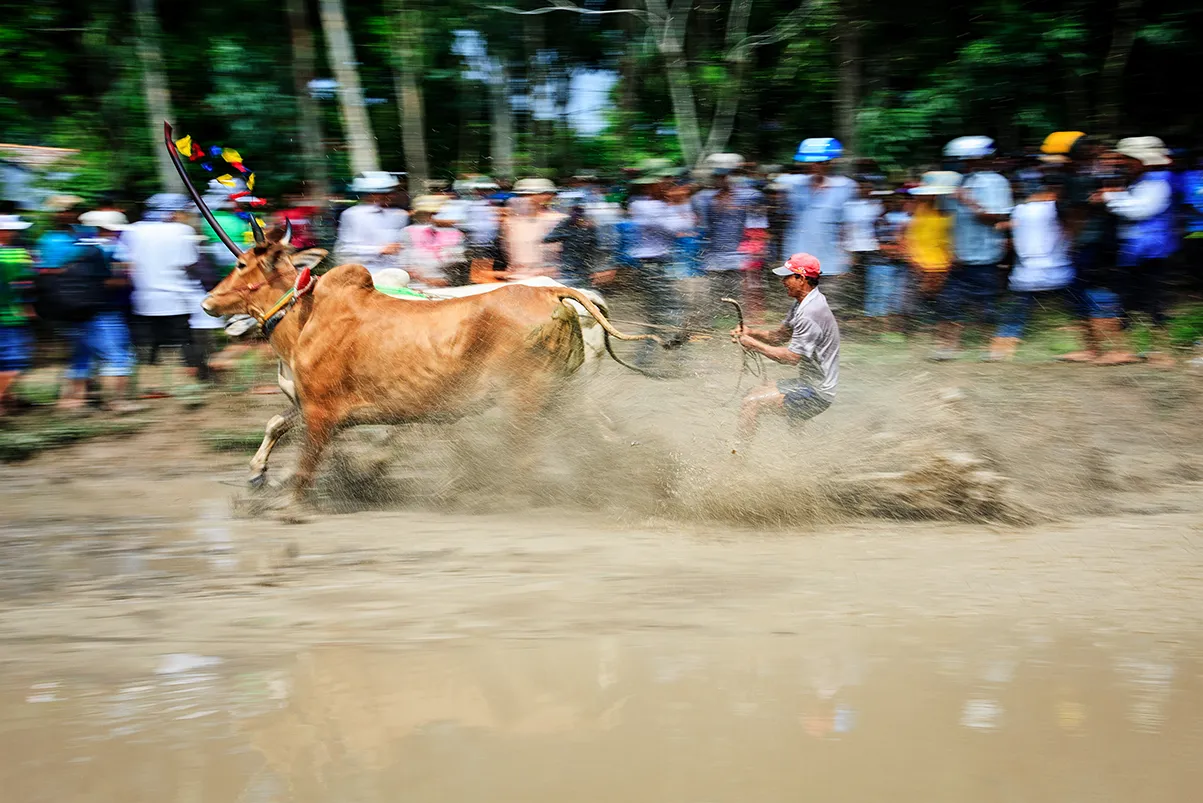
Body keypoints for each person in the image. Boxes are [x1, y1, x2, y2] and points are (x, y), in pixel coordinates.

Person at [730, 253, 840, 450]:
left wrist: (752, 344)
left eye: (788, 277)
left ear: (802, 278)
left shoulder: (810, 313)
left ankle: (738, 459)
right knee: (756, 391)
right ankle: (803, 451)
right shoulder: (802, 303)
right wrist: (750, 332)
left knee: (751, 402)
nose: (783, 282)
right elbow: (778, 336)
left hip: (817, 393)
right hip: (809, 384)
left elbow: (791, 358)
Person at [932, 136, 1014, 360]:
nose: (954, 165)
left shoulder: (994, 182)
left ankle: (995, 349)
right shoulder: (958, 182)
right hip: (960, 257)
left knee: (986, 306)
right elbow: (943, 212)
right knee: (948, 303)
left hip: (985, 257)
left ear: (972, 159)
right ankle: (949, 347)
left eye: (957, 160)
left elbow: (995, 216)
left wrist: (967, 200)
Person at [57, 210, 142, 411]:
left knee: (82, 356)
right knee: (118, 356)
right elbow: (119, 279)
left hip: (75, 311)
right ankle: (117, 401)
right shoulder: (112, 248)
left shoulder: (73, 246)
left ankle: (73, 401)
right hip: (105, 310)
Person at [986, 176, 1076, 361]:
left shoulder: (1019, 210)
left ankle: (1000, 351)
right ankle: (1090, 343)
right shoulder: (1054, 209)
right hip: (1059, 271)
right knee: (1080, 307)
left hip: (1027, 274)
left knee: (1014, 313)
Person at [1105, 137, 1177, 366]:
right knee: (1128, 301)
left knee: (1152, 301)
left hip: (1150, 252)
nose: (1123, 163)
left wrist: (1110, 198)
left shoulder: (1158, 182)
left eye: (1127, 159)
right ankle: (1126, 350)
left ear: (1142, 160)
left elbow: (1139, 211)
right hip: (1136, 251)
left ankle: (1161, 352)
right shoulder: (1142, 180)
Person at [121, 194, 202, 395]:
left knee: (147, 345)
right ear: (173, 213)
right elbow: (190, 263)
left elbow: (125, 265)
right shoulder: (183, 231)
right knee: (185, 343)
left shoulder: (133, 230)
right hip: (177, 298)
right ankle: (188, 385)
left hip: (144, 299)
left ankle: (151, 387)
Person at [783, 138, 857, 313]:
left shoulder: (845, 187)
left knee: (829, 308)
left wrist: (848, 255)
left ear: (828, 163)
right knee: (798, 308)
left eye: (819, 163)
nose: (813, 167)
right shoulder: (794, 186)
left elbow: (848, 225)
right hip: (799, 260)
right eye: (809, 163)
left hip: (830, 261)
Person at [904, 171, 960, 326]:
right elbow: (912, 237)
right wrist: (912, 260)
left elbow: (949, 241)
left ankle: (935, 332)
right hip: (920, 266)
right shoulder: (920, 210)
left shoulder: (947, 213)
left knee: (936, 304)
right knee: (920, 304)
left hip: (938, 267)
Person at [334, 171, 407, 275]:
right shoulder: (352, 215)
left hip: (394, 273)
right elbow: (345, 250)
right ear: (371, 194)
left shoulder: (398, 215)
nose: (391, 196)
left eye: (391, 192)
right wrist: (379, 250)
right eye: (385, 193)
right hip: (367, 274)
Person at [0, 214, 34, 417]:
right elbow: (26, 285)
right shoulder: (17, 255)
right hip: (11, 315)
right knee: (14, 362)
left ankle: (8, 401)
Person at [865, 189, 911, 337]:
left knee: (898, 300)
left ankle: (894, 332)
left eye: (899, 200)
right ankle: (878, 331)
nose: (895, 203)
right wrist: (899, 250)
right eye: (890, 201)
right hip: (881, 265)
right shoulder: (880, 220)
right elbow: (881, 245)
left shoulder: (908, 218)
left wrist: (900, 250)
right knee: (878, 299)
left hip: (900, 265)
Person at [502, 178, 564, 277]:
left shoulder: (559, 220)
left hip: (549, 279)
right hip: (517, 278)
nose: (525, 199)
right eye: (522, 195)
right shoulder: (510, 222)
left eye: (530, 194)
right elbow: (508, 251)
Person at [398, 196, 464, 288]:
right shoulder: (409, 232)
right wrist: (426, 280)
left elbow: (457, 266)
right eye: (431, 213)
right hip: (416, 288)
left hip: (445, 288)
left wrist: (446, 281)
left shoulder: (456, 235)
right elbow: (404, 265)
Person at [544, 203, 601, 289]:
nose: (578, 216)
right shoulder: (567, 224)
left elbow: (595, 246)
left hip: (582, 268)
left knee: (582, 291)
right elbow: (549, 238)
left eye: (580, 213)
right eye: (576, 213)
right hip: (570, 267)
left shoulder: (589, 226)